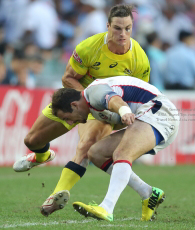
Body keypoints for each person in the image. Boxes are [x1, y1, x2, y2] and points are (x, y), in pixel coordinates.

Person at [13, 4, 151, 217]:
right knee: (32, 140)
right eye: (117, 28)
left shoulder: (139, 59)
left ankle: (56, 195)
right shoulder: (89, 47)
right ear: (108, 26)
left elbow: (139, 95)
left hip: (106, 110)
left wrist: (117, 114)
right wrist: (88, 98)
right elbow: (67, 78)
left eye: (127, 28)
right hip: (75, 100)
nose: (122, 34)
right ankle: (42, 156)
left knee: (86, 146)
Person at [51, 75, 180, 221]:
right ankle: (148, 193)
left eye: (67, 117)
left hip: (159, 111)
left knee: (122, 153)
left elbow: (115, 101)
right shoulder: (92, 108)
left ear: (74, 105)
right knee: (96, 153)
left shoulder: (93, 93)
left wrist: (124, 112)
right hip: (150, 116)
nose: (69, 122)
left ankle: (107, 207)